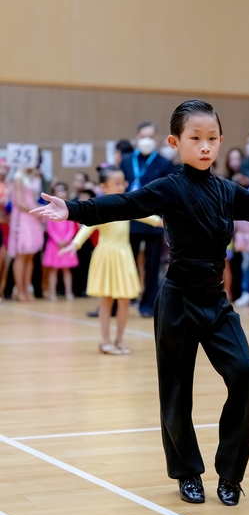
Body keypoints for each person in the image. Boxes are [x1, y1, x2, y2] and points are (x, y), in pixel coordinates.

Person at [32, 100, 249, 507]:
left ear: (220, 141)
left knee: (245, 376)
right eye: (195, 138)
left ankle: (230, 474)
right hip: (177, 299)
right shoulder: (168, 187)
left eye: (212, 138)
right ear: (175, 142)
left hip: (216, 301)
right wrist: (72, 209)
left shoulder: (227, 191)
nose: (205, 146)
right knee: (176, 391)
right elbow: (124, 203)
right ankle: (187, 472)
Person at [59, 166, 161, 355]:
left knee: (124, 300)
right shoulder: (101, 206)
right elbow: (88, 226)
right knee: (106, 300)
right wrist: (75, 244)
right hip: (106, 255)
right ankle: (105, 340)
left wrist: (165, 221)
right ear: (104, 187)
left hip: (124, 256)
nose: (121, 186)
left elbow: (147, 216)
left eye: (123, 183)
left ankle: (119, 339)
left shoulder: (128, 205)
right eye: (117, 183)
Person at [121, 121, 175, 317]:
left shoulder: (164, 163)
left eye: (150, 137)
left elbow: (169, 192)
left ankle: (148, 305)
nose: (146, 140)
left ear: (157, 139)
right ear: (137, 138)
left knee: (152, 265)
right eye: (143, 136)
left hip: (154, 220)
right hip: (129, 219)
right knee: (126, 262)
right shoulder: (126, 161)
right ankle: (121, 301)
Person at [8, 167, 44, 302]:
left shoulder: (32, 178)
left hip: (32, 217)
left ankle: (27, 289)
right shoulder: (18, 178)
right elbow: (19, 202)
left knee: (30, 256)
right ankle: (19, 290)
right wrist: (36, 211)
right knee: (21, 254)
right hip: (22, 217)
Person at [42, 182, 78, 301]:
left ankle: (69, 292)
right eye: (59, 191)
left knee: (67, 270)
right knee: (53, 270)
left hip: (66, 244)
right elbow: (50, 228)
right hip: (54, 244)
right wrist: (58, 240)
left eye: (63, 190)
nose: (61, 193)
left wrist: (66, 240)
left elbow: (71, 228)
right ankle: (52, 293)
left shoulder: (69, 209)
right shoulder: (51, 209)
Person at [0, 158, 11, 299]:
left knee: (5, 260)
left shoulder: (10, 185)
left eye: (6, 168)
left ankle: (2, 289)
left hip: (7, 225)